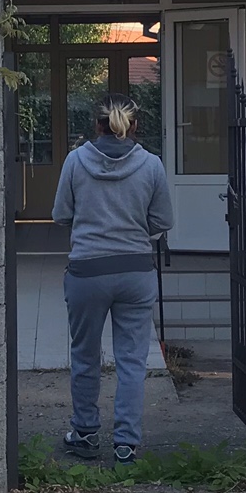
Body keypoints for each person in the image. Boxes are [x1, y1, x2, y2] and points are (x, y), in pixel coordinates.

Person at [53, 92, 175, 466]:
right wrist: (133, 228)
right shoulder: (151, 165)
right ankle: (126, 443)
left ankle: (85, 434)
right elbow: (163, 220)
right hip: (136, 272)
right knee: (132, 360)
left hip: (87, 272)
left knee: (85, 355)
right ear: (135, 125)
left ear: (97, 124)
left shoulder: (75, 161)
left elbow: (61, 214)